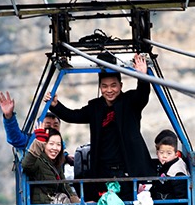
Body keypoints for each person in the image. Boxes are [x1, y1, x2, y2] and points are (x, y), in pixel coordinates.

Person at [45, 53, 155, 195]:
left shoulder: (130, 102)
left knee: (128, 204)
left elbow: (143, 94)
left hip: (128, 170)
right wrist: (55, 105)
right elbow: (73, 115)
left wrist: (142, 76)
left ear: (121, 86)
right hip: (103, 171)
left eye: (113, 86)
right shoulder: (95, 107)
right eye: (104, 86)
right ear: (100, 88)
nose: (109, 90)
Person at [0, 90, 72, 168]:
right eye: (48, 125)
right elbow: (15, 137)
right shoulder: (31, 141)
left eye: (55, 125)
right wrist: (9, 116)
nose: (52, 128)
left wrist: (67, 157)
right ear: (39, 126)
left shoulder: (59, 144)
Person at [149, 129, 189, 205]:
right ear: (157, 152)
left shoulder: (177, 172)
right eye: (161, 152)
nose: (164, 156)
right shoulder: (164, 166)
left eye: (169, 153)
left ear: (176, 154)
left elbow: (181, 198)